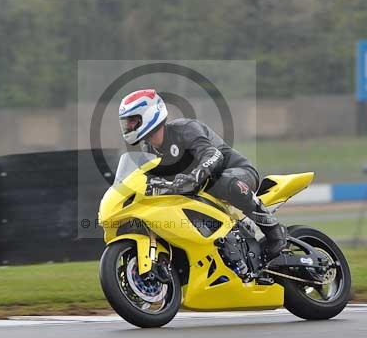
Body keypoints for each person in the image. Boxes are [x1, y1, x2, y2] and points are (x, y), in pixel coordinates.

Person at [118, 88, 287, 260]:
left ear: (149, 114)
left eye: (133, 120)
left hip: (237, 172)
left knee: (220, 182)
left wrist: (195, 175)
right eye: (126, 122)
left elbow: (213, 155)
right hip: (199, 190)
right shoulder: (148, 150)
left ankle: (274, 231)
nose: (128, 126)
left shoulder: (185, 129)